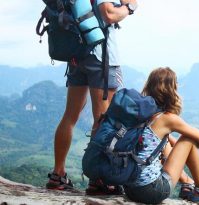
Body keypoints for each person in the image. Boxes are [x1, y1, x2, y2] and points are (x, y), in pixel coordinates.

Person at [46, 0, 137, 193]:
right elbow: (108, 13)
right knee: (103, 120)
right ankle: (98, 180)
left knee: (70, 116)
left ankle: (58, 174)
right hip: (100, 57)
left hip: (76, 55)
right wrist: (130, 7)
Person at [124, 67, 199, 205]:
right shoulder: (167, 118)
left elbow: (160, 142)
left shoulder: (142, 114)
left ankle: (189, 184)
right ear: (171, 89)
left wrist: (172, 141)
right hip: (151, 191)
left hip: (130, 188)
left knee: (166, 141)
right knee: (188, 138)